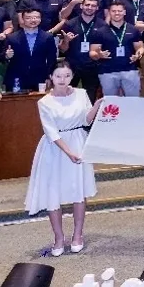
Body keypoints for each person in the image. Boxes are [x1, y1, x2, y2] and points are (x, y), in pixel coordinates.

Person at [25, 61, 102, 257]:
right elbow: (51, 132)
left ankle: (78, 235)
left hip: (78, 142)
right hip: (55, 148)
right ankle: (59, 238)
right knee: (53, 193)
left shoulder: (81, 94)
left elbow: (86, 120)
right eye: (58, 76)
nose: (62, 80)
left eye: (67, 76)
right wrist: (69, 152)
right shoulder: (44, 102)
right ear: (51, 77)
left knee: (78, 190)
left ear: (72, 76)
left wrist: (97, 106)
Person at [89, 1, 144, 97]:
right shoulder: (100, 31)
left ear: (124, 12)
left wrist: (138, 55)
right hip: (107, 72)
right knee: (111, 102)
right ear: (109, 12)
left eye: (119, 11)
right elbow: (92, 52)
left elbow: (140, 48)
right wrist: (99, 55)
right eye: (114, 11)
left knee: (133, 101)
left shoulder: (133, 29)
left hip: (130, 70)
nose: (117, 13)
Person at [2, 8, 59, 93]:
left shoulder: (48, 37)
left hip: (40, 78)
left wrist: (49, 76)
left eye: (36, 17)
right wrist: (7, 56)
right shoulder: (12, 37)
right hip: (17, 78)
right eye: (28, 18)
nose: (33, 20)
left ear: (40, 19)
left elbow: (52, 59)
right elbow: (1, 56)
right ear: (22, 20)